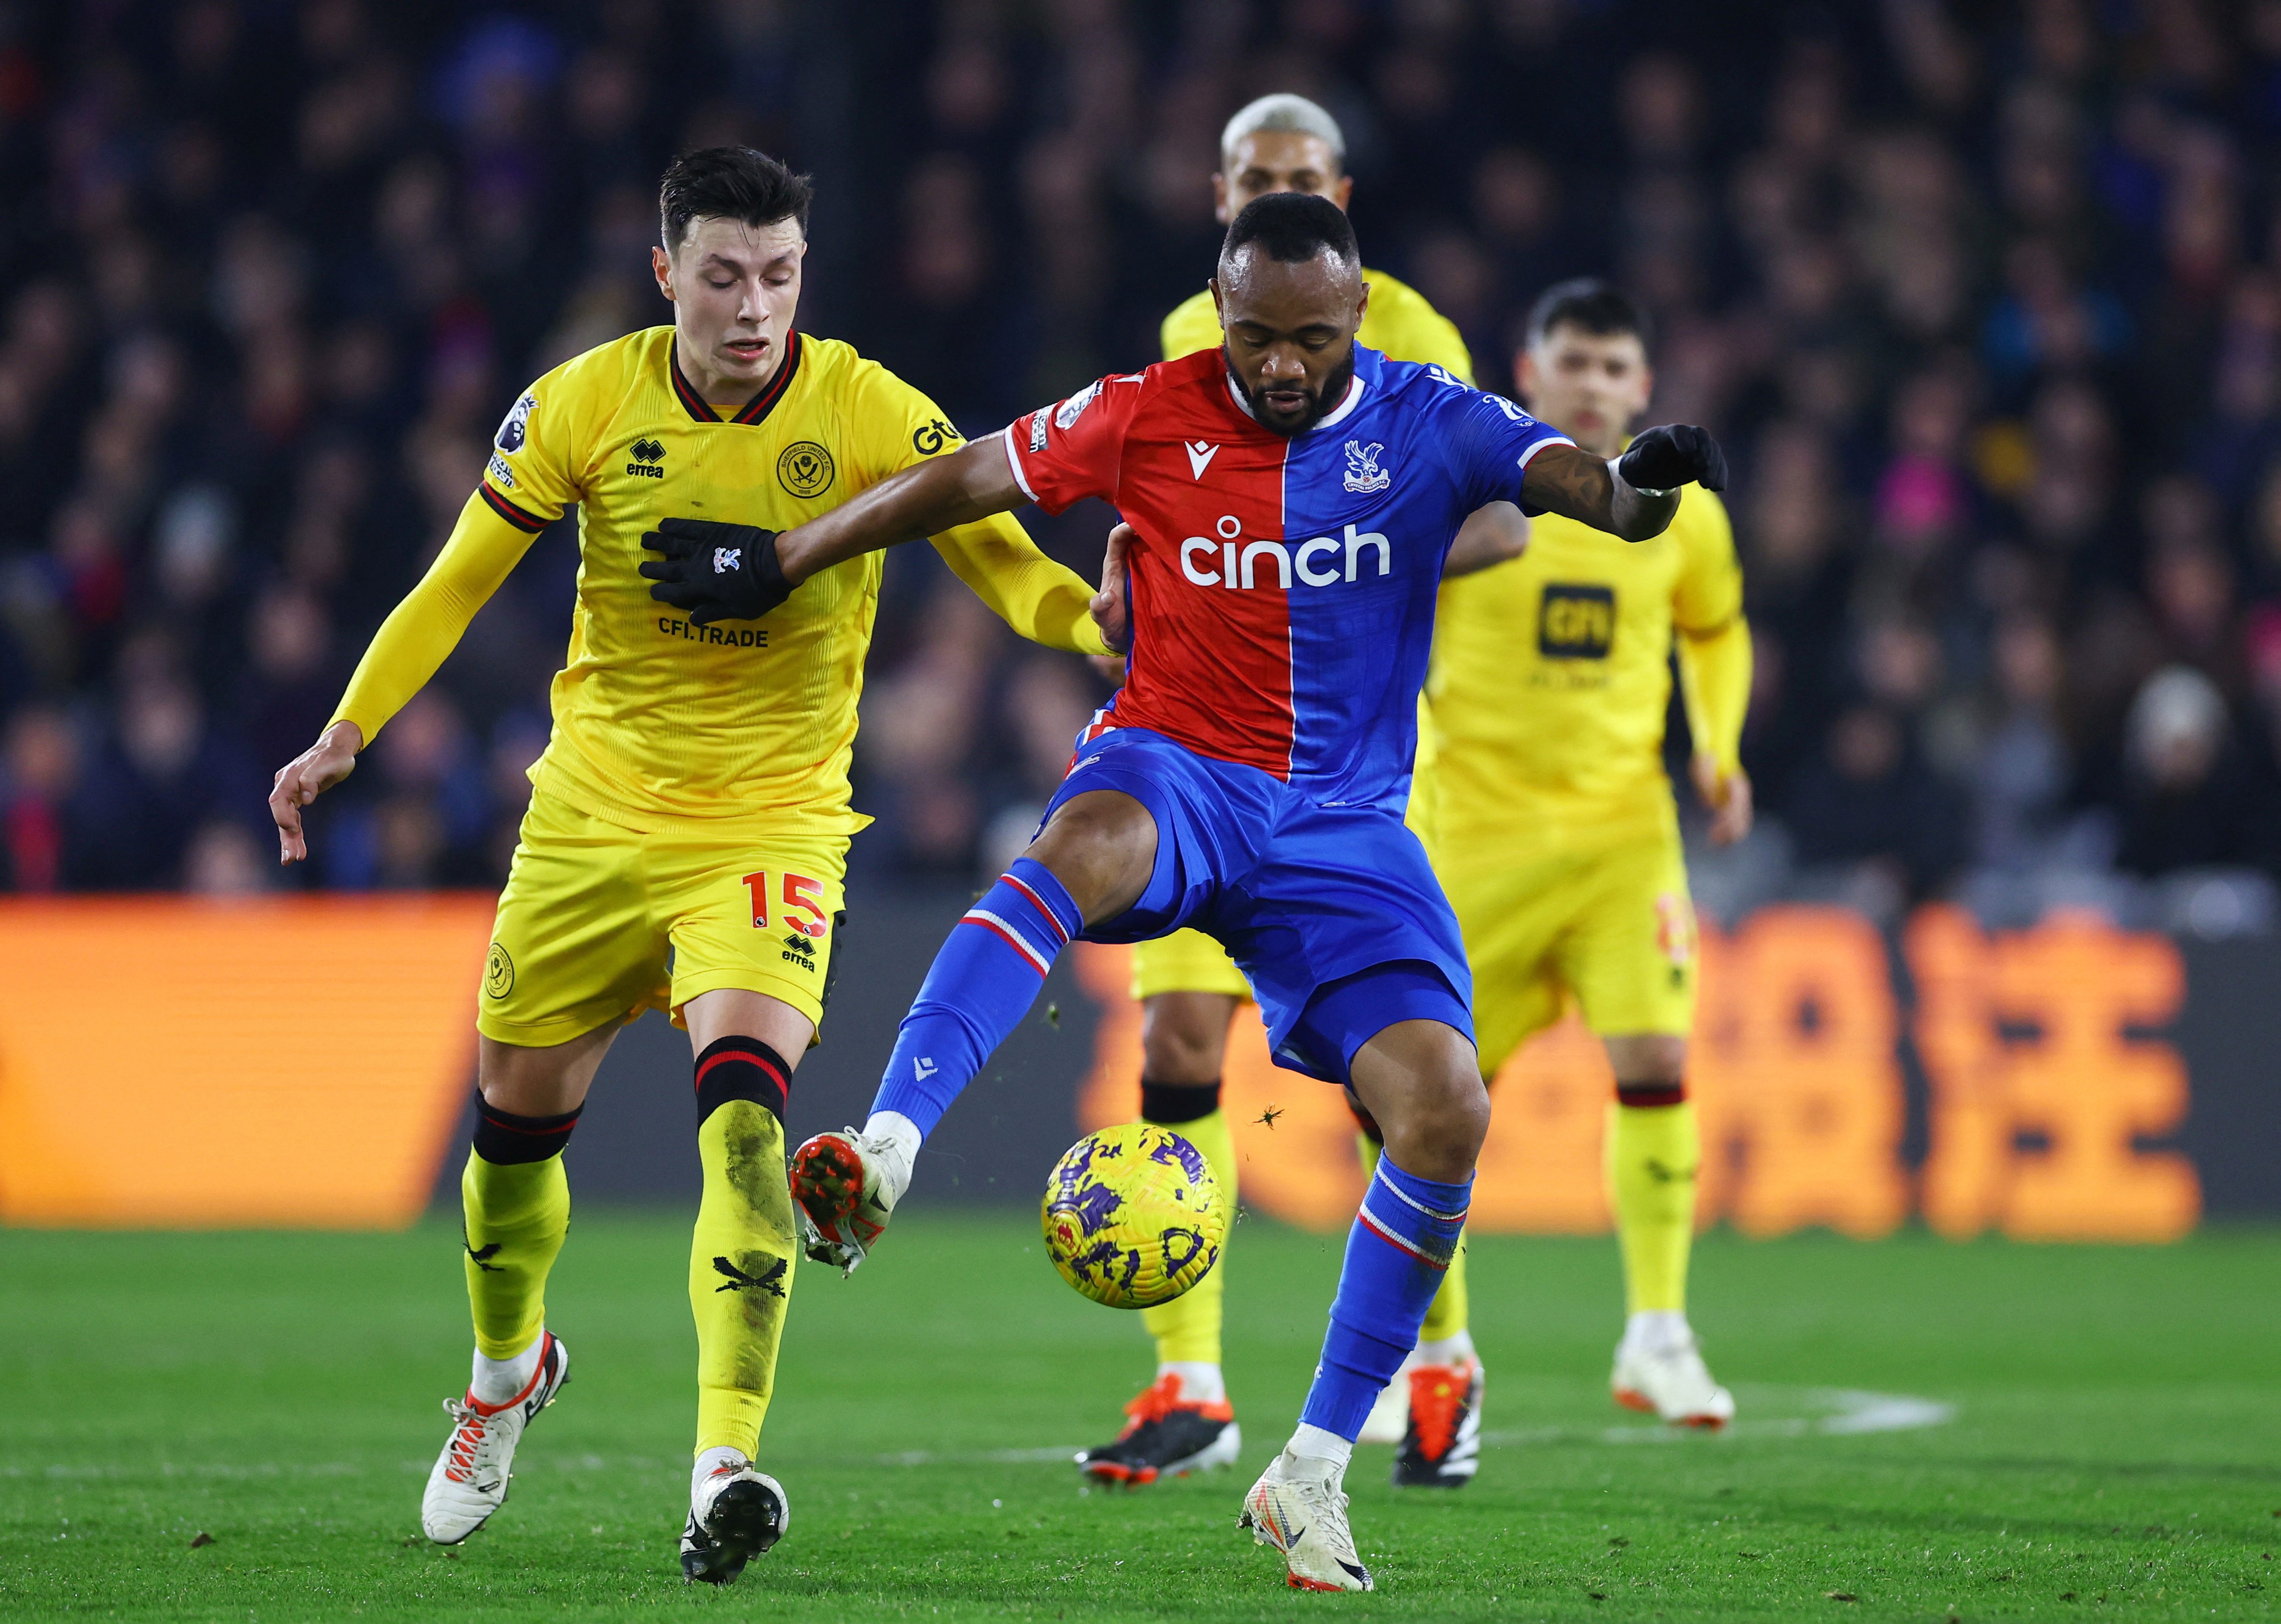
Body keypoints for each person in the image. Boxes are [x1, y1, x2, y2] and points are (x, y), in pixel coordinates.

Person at [644, 192, 1726, 1591]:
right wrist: (786, 555)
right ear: (1218, 311)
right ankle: (888, 1149)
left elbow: (1594, 498)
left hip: (1343, 827)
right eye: (1254, 334)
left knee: (1446, 1109)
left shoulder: (1430, 418)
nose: (1280, 365)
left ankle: (1310, 1471)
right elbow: (968, 479)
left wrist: (1647, 483)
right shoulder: (1146, 410)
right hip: (1179, 768)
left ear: (1356, 317)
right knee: (1072, 850)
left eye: (1311, 339)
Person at [265, 147, 1111, 1585]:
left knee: (746, 1128)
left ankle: (724, 1463)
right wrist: (347, 731)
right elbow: (456, 579)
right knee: (510, 1148)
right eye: (722, 276)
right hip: (589, 818)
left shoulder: (867, 409)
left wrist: (1098, 625)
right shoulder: (584, 402)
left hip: (769, 828)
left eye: (778, 275)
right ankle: (504, 1374)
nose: (753, 307)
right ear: (666, 274)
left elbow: (1007, 566)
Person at [1091, 91, 1525, 1493]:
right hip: (1197, 750)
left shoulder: (1411, 332)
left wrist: (1343, 553)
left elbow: (1501, 520)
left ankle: (1440, 1362)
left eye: (1296, 173)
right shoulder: (1188, 330)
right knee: (1172, 1041)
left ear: (1340, 196)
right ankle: (1189, 1380)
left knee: (1385, 1079)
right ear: (1218, 197)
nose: (1268, 189)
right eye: (1247, 175)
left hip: (1347, 765)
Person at [1426, 279, 1753, 1429]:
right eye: (1573, 361)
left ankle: (1658, 1333)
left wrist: (1718, 747)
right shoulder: (1474, 492)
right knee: (1420, 1097)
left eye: (1615, 368)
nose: (1593, 384)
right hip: (1471, 840)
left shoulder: (1683, 514)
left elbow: (1714, 630)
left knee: (1656, 1055)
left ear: (1643, 386)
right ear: (1527, 372)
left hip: (1622, 838)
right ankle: (1432, 1348)